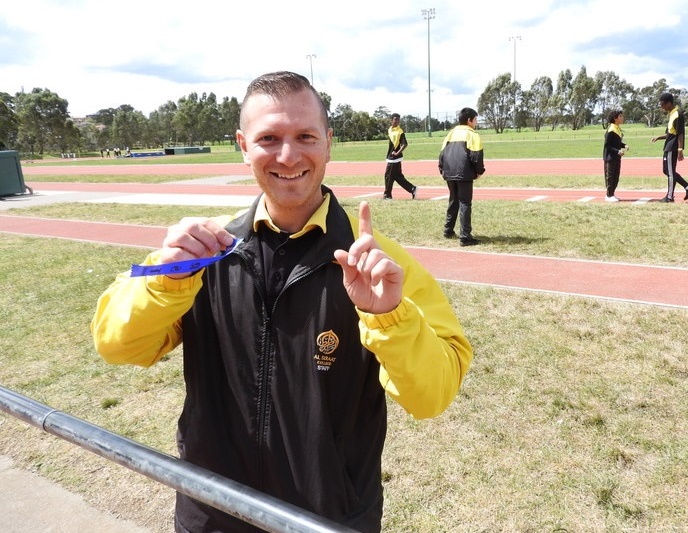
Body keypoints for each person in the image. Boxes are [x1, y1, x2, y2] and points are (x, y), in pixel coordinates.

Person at [91, 71, 472, 533]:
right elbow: (116, 345)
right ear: (242, 144)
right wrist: (168, 281)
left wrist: (387, 316)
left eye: (305, 136)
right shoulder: (202, 252)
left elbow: (432, 396)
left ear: (329, 143)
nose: (288, 155)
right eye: (269, 138)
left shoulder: (381, 265)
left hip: (328, 517)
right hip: (213, 512)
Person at [439, 107, 485, 246]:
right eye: (475, 120)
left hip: (449, 172)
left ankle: (448, 230)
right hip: (464, 173)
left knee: (454, 200)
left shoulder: (450, 134)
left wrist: (442, 170)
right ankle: (465, 237)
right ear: (469, 120)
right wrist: (479, 171)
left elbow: (442, 154)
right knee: (465, 203)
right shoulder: (472, 134)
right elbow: (476, 155)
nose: (476, 123)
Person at [650, 93, 688, 203]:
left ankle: (670, 197)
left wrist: (680, 150)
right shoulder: (672, 114)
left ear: (669, 103)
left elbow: (680, 134)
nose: (661, 106)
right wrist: (658, 137)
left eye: (662, 104)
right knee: (667, 171)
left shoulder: (678, 114)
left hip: (673, 147)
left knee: (670, 172)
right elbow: (670, 134)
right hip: (668, 146)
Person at [383, 113, 417, 199]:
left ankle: (387, 195)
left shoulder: (400, 132)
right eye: (395, 119)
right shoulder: (390, 130)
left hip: (394, 158)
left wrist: (397, 153)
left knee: (388, 176)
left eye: (398, 120)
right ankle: (412, 189)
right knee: (397, 177)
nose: (397, 121)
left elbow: (405, 144)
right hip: (391, 157)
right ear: (391, 120)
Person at [603, 109, 628, 202]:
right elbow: (607, 145)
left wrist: (624, 145)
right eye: (620, 116)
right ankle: (609, 195)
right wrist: (617, 151)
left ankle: (612, 194)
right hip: (610, 157)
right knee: (610, 176)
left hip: (616, 157)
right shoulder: (611, 129)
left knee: (616, 177)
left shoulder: (617, 129)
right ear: (615, 118)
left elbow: (617, 143)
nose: (622, 118)